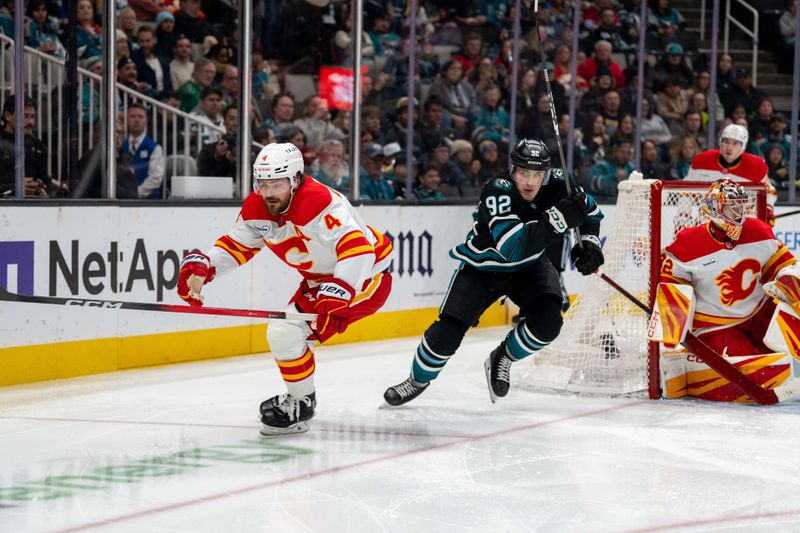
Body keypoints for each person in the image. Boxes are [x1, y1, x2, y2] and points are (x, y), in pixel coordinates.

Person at [176, 143, 394, 435]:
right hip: (320, 282)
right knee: (285, 334)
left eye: (276, 184)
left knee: (286, 332)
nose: (268, 193)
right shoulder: (256, 206)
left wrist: (340, 291)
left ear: (296, 180)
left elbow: (358, 249)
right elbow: (236, 246)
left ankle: (301, 403)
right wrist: (205, 266)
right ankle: (301, 399)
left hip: (366, 277)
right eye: (262, 184)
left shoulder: (320, 202)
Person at [383, 139, 604, 406]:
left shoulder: (560, 183)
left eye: (536, 175)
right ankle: (416, 381)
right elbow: (513, 249)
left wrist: (589, 244)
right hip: (482, 269)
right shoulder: (498, 190)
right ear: (513, 170)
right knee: (447, 334)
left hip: (530, 267)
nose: (529, 182)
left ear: (545, 174)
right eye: (523, 173)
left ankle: (503, 357)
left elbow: (591, 212)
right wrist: (559, 218)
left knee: (548, 325)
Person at [660, 179, 797, 359]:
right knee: (748, 367)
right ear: (713, 209)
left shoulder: (759, 231)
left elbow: (783, 265)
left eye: (739, 206)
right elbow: (671, 283)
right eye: (730, 208)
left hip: (759, 313)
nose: (737, 213)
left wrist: (786, 276)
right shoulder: (688, 243)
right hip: (715, 326)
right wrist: (673, 324)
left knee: (790, 349)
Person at [686, 124, 775, 222]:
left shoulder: (756, 166)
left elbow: (770, 192)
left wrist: (768, 210)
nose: (729, 147)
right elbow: (684, 192)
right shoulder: (701, 162)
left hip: (743, 224)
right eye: (726, 142)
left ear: (743, 146)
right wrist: (684, 214)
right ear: (720, 142)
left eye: (735, 143)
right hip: (707, 223)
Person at [122, 102, 165, 199]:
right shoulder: (121, 146)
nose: (136, 120)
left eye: (140, 117)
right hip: (123, 200)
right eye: (133, 116)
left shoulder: (154, 148)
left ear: (146, 120)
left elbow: (155, 178)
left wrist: (136, 194)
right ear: (127, 119)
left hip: (149, 203)